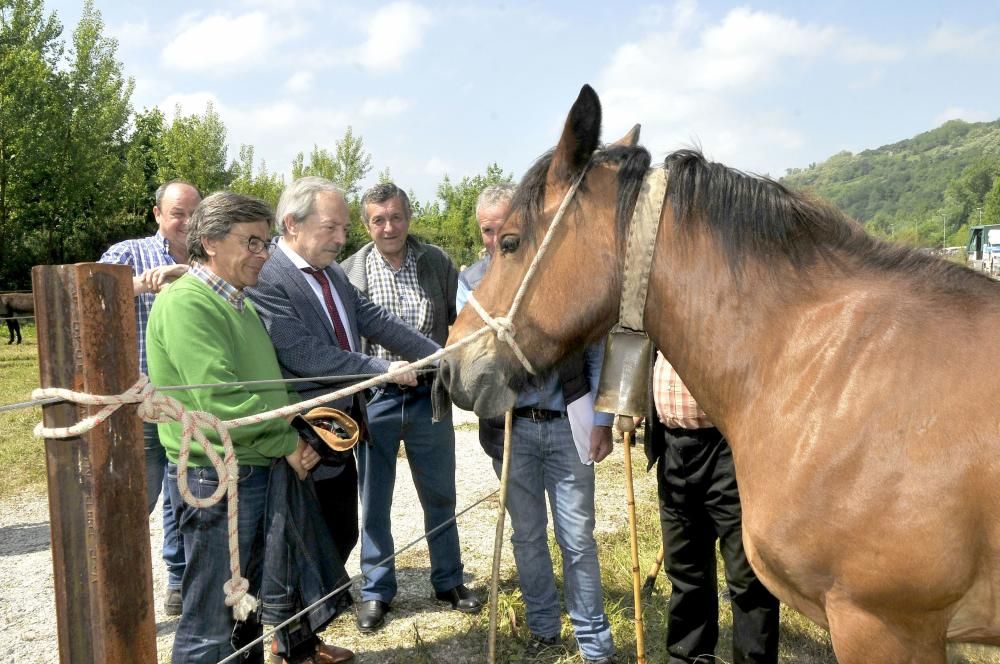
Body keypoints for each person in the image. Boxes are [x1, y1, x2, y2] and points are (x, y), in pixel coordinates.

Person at [147, 192, 353, 664]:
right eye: (252, 242)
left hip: (250, 471)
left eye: (265, 243)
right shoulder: (188, 304)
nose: (264, 254)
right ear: (211, 242)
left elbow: (265, 390)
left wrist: (295, 435)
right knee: (208, 621)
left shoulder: (240, 304)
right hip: (217, 477)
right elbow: (222, 404)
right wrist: (288, 442)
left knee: (245, 614)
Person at [246, 176, 440, 569]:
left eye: (345, 229)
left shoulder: (332, 271)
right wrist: (382, 369)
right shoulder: (268, 276)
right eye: (330, 227)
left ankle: (309, 623)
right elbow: (303, 353)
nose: (340, 238)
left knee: (340, 531)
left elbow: (375, 320)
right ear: (292, 224)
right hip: (297, 435)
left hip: (335, 431)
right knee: (300, 545)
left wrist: (441, 356)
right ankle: (294, 628)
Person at [458, 186, 617, 664]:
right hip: (510, 429)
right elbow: (470, 356)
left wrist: (603, 421)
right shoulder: (471, 281)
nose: (493, 238)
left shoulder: (566, 275)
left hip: (568, 426)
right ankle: (544, 630)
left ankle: (594, 643)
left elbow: (597, 350)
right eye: (486, 229)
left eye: (502, 228)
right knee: (526, 536)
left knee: (577, 537)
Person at [341, 182, 480, 633]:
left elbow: (456, 323)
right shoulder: (349, 271)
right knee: (374, 501)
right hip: (376, 397)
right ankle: (378, 590)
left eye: (396, 217)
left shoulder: (437, 262)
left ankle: (449, 580)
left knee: (440, 494)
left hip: (427, 395)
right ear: (367, 224)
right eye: (378, 220)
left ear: (409, 217)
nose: (388, 227)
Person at [98, 179, 200, 615]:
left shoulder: (208, 257)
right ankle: (114, 585)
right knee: (135, 498)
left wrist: (189, 276)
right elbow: (90, 297)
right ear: (157, 215)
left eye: (195, 212)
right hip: (138, 403)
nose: (187, 221)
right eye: (178, 212)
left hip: (189, 401)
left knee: (186, 497)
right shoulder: (127, 253)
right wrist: (139, 285)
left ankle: (178, 582)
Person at [645, 351, 780, 664]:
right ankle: (688, 658)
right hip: (672, 447)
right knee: (685, 569)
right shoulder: (665, 306)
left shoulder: (731, 301)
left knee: (747, 575)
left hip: (730, 447)